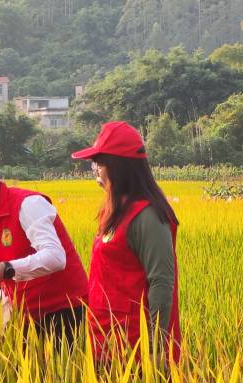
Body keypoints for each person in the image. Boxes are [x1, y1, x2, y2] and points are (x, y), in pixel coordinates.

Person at [0, 154, 88, 349]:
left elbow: (56, 257)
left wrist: (8, 268)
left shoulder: (27, 204)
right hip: (25, 314)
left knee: (58, 376)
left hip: (64, 312)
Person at [71, 121, 181, 362]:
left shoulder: (148, 216)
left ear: (118, 166)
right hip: (106, 339)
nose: (95, 169)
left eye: (99, 162)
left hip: (135, 347)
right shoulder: (115, 209)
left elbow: (161, 282)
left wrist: (156, 348)